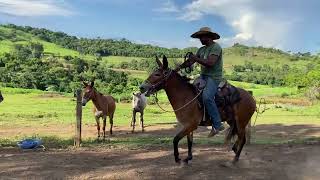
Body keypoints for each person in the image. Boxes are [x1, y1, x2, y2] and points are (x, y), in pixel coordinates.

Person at [177, 27, 224, 137]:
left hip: (214, 77)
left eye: (201, 37)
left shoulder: (216, 47)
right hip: (203, 76)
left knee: (207, 97)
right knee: (190, 93)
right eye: (199, 37)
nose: (200, 39)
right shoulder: (201, 50)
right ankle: (195, 117)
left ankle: (217, 124)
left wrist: (195, 58)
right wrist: (179, 68)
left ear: (208, 36)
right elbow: (191, 61)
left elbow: (210, 63)